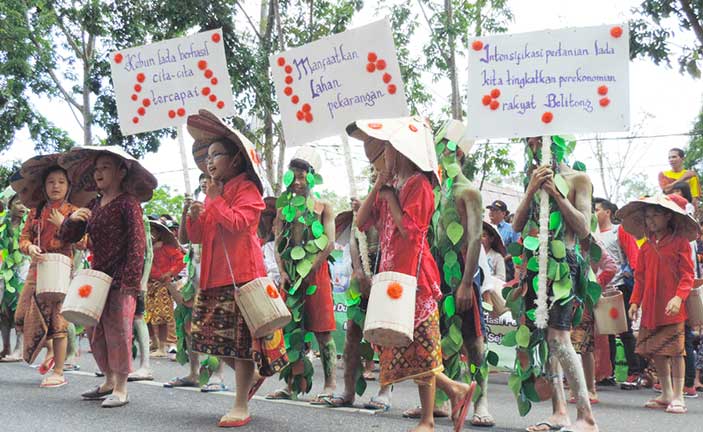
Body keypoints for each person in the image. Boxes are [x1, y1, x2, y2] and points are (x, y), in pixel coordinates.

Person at [351, 116, 476, 432]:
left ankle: (429, 419)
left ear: (401, 151)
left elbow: (413, 231)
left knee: (422, 345)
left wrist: (391, 199)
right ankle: (455, 391)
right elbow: (362, 222)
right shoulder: (391, 185)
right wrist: (379, 187)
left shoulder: (420, 185)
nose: (382, 156)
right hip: (391, 277)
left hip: (415, 277)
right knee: (407, 348)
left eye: (386, 150)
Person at [186, 109, 287, 426]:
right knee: (205, 338)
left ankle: (241, 403)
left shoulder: (248, 190)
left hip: (241, 276)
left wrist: (214, 200)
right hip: (213, 278)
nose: (210, 161)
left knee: (241, 346)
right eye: (208, 156)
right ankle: (254, 375)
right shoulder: (215, 192)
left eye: (218, 154)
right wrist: (193, 215)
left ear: (236, 161)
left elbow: (239, 224)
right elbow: (199, 236)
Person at [512, 136, 598, 432]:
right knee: (546, 341)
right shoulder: (532, 178)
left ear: (557, 141)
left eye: (540, 141)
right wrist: (533, 189)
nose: (535, 148)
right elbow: (517, 224)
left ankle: (586, 416)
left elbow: (584, 228)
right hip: (536, 264)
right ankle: (559, 411)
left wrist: (557, 195)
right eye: (531, 143)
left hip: (565, 263)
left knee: (560, 340)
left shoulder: (578, 179)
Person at [60, 146, 152, 407]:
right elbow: (68, 237)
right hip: (95, 279)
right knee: (94, 331)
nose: (99, 173)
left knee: (119, 332)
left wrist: (130, 281)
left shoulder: (129, 203)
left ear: (121, 172)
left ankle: (121, 387)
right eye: (97, 168)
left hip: (121, 279)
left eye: (105, 167)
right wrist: (72, 218)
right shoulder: (92, 204)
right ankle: (109, 380)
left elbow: (137, 245)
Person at [267, 146, 338, 404]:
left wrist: (310, 269)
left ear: (312, 176)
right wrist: (284, 271)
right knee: (291, 330)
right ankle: (292, 384)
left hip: (316, 275)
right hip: (291, 276)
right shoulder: (284, 208)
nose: (297, 182)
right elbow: (277, 244)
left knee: (323, 331)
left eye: (302, 175)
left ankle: (330, 385)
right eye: (293, 175)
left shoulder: (323, 207)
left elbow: (328, 243)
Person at [617, 194, 697, 414]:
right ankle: (667, 393)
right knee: (658, 351)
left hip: (673, 307)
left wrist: (678, 297)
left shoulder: (680, 243)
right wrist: (634, 302)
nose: (650, 221)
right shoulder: (645, 247)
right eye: (647, 217)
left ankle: (679, 395)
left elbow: (687, 275)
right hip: (652, 307)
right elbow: (639, 278)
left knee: (676, 351)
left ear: (668, 217)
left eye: (655, 216)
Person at [322, 163, 392, 412]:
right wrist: (360, 271)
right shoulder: (363, 207)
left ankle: (384, 391)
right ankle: (348, 390)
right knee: (352, 332)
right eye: (372, 172)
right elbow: (354, 236)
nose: (375, 175)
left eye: (379, 172)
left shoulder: (393, 202)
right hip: (359, 274)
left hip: (387, 273)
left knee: (387, 335)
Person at [15, 165, 86, 388]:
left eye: (61, 182)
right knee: (21, 317)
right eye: (51, 182)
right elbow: (23, 239)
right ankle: (50, 351)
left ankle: (58, 371)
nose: (56, 186)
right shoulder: (35, 211)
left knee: (58, 321)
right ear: (44, 187)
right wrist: (29, 248)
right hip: (37, 269)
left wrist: (66, 223)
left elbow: (84, 243)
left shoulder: (74, 211)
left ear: (68, 186)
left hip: (60, 270)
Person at [164, 173, 226, 392]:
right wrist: (185, 212)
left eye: (208, 182)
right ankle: (193, 372)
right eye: (201, 184)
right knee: (188, 324)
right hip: (194, 275)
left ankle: (217, 375)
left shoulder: (220, 203)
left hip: (215, 273)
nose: (204, 186)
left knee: (215, 326)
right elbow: (183, 240)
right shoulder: (197, 207)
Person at [592, 197, 642, 389]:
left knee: (624, 329)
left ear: (608, 213)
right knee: (606, 331)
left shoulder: (618, 230)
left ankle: (634, 372)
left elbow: (634, 256)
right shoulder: (592, 233)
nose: (594, 213)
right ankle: (607, 372)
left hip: (618, 287)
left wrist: (637, 285)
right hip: (599, 288)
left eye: (597, 210)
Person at [569, 237, 617, 405]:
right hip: (564, 299)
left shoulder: (592, 244)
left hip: (583, 301)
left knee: (584, 346)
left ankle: (590, 388)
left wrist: (594, 286)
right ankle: (577, 387)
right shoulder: (561, 239)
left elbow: (611, 268)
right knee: (567, 346)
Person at [145, 220, 184, 358]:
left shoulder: (166, 248)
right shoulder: (145, 249)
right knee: (146, 317)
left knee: (161, 317)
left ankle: (162, 347)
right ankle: (154, 342)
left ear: (160, 234)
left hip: (162, 286)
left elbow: (182, 260)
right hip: (146, 286)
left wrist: (169, 273)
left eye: (153, 232)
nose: (150, 234)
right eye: (148, 231)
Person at [0, 189, 29, 362]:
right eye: (18, 203)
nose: (22, 207)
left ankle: (20, 348)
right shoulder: (3, 222)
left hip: (23, 268)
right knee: (3, 310)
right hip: (5, 268)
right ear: (10, 204)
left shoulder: (29, 223)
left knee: (19, 309)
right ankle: (6, 347)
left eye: (25, 203)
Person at [127, 215, 154, 382]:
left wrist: (143, 280)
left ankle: (146, 366)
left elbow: (148, 253)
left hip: (136, 276)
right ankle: (120, 365)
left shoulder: (140, 218)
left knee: (138, 318)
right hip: (119, 274)